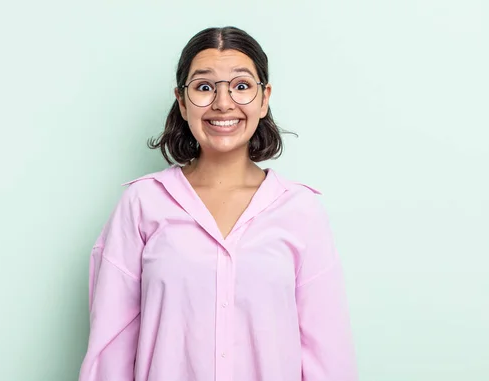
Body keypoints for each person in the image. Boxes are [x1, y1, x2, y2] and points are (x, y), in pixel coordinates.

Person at [78, 26, 358, 381]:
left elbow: (327, 353)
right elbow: (110, 347)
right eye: (204, 87)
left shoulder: (301, 210)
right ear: (181, 100)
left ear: (263, 97)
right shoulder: (141, 204)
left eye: (241, 86)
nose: (223, 103)